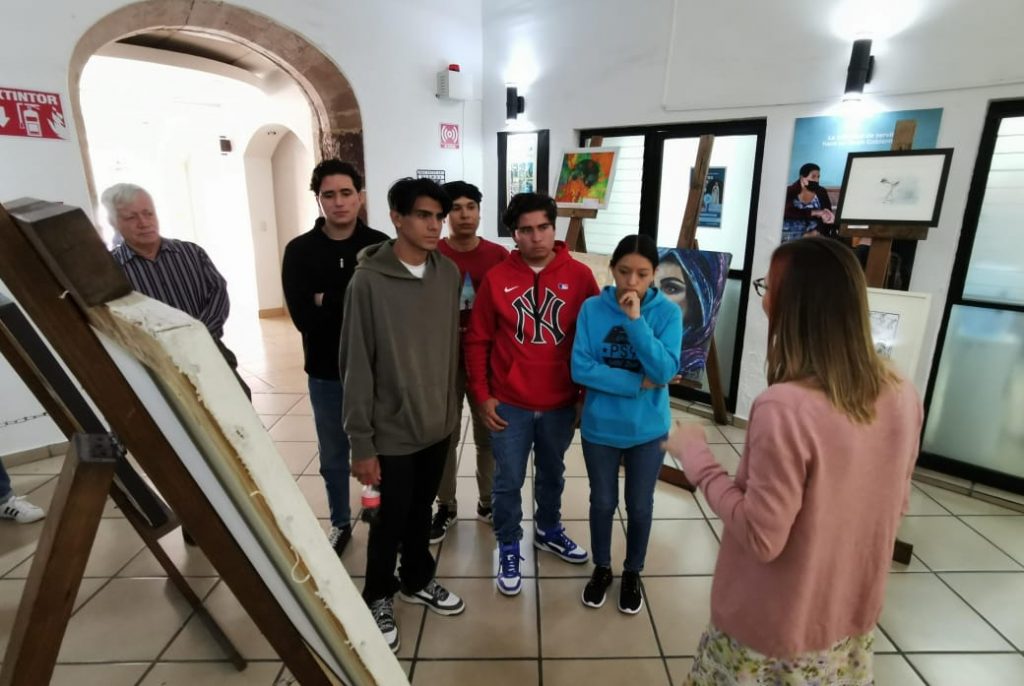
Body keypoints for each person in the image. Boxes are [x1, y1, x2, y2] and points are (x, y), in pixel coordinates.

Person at [665, 237, 922, 685]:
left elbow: (761, 537)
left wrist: (697, 459)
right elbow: (895, 506)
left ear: (794, 306)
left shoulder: (783, 407)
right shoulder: (902, 392)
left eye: (769, 287)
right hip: (847, 616)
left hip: (774, 628)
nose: (764, 299)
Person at [340, 177, 465, 652]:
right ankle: (377, 594)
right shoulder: (368, 282)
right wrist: (361, 443)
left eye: (439, 217)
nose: (435, 226)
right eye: (423, 216)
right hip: (390, 430)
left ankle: (416, 578)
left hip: (437, 423)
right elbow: (356, 364)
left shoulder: (447, 273)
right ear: (396, 217)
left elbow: (448, 349)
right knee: (387, 519)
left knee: (420, 511)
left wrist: (449, 414)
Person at [464, 192, 600, 596]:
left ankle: (548, 529)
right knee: (507, 479)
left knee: (553, 474)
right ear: (514, 234)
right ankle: (508, 543)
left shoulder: (580, 277)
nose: (536, 237)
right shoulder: (497, 279)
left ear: (554, 228)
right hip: (509, 404)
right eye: (526, 230)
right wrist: (483, 395)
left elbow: (592, 340)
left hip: (560, 402)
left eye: (543, 227)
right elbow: (477, 340)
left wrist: (583, 395)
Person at [281, 160, 388, 557]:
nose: (339, 202)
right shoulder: (300, 251)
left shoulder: (380, 246)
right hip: (327, 370)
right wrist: (352, 299)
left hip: (377, 370)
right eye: (329, 195)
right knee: (333, 453)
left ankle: (376, 507)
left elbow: (386, 311)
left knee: (379, 446)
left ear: (360, 197)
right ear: (319, 200)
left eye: (346, 193)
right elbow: (304, 319)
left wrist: (326, 297)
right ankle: (340, 522)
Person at [571, 235, 681, 614]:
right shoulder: (592, 309)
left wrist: (636, 321)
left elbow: (664, 371)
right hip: (600, 426)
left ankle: (633, 570)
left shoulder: (667, 314)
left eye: (642, 274)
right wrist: (636, 382)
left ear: (654, 274)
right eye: (623, 271)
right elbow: (581, 368)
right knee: (602, 502)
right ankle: (602, 567)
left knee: (639, 505)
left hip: (648, 430)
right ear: (612, 268)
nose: (631, 282)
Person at [104, 183, 249, 399]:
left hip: (208, 351)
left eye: (148, 213)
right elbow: (116, 321)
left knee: (238, 404)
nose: (144, 223)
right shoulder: (111, 270)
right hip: (156, 366)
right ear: (114, 223)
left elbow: (218, 294)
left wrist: (197, 337)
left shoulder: (191, 253)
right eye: (131, 217)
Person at [429, 181, 509, 543]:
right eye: (456, 208)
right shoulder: (433, 253)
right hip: (442, 360)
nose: (464, 215)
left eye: (471, 207)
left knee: (489, 435)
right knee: (444, 437)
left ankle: (488, 502)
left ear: (479, 210)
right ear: (446, 215)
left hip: (487, 362)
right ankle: (445, 505)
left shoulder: (498, 256)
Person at [782, 162, 836, 242]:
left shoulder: (821, 192)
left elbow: (827, 214)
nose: (817, 180)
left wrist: (817, 232)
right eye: (813, 177)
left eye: (818, 177)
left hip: (815, 237)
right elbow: (786, 212)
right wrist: (815, 212)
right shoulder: (789, 191)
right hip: (789, 237)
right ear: (802, 178)